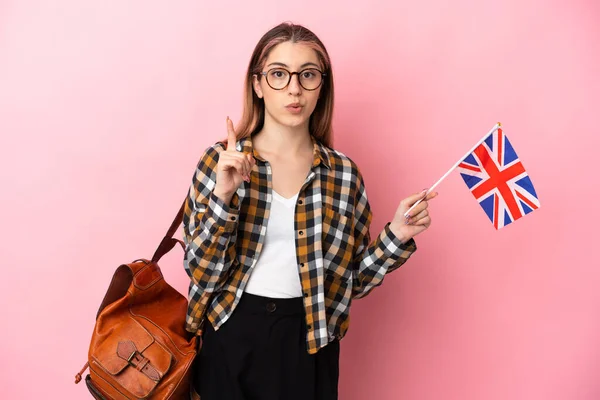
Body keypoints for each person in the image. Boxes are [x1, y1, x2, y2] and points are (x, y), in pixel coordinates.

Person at [182, 21, 437, 400]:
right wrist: (223, 197)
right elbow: (201, 272)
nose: (294, 89)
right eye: (279, 74)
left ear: (323, 86)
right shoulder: (221, 161)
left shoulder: (343, 175)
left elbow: (350, 282)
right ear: (258, 85)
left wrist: (396, 236)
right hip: (230, 333)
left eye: (308, 75)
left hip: (310, 340)